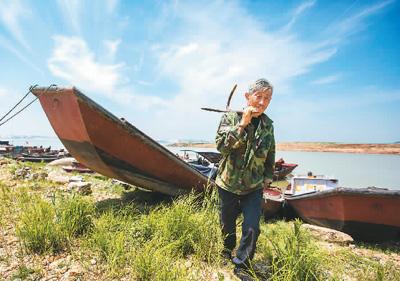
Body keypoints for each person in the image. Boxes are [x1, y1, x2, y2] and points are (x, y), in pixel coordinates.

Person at [215, 78, 275, 274]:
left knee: (252, 227)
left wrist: (268, 176)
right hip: (228, 183)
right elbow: (221, 146)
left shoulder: (268, 125)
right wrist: (243, 124)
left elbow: (270, 152)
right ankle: (226, 250)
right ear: (248, 97)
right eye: (259, 96)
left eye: (267, 98)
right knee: (227, 223)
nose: (262, 102)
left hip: (253, 186)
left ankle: (241, 265)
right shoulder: (231, 118)